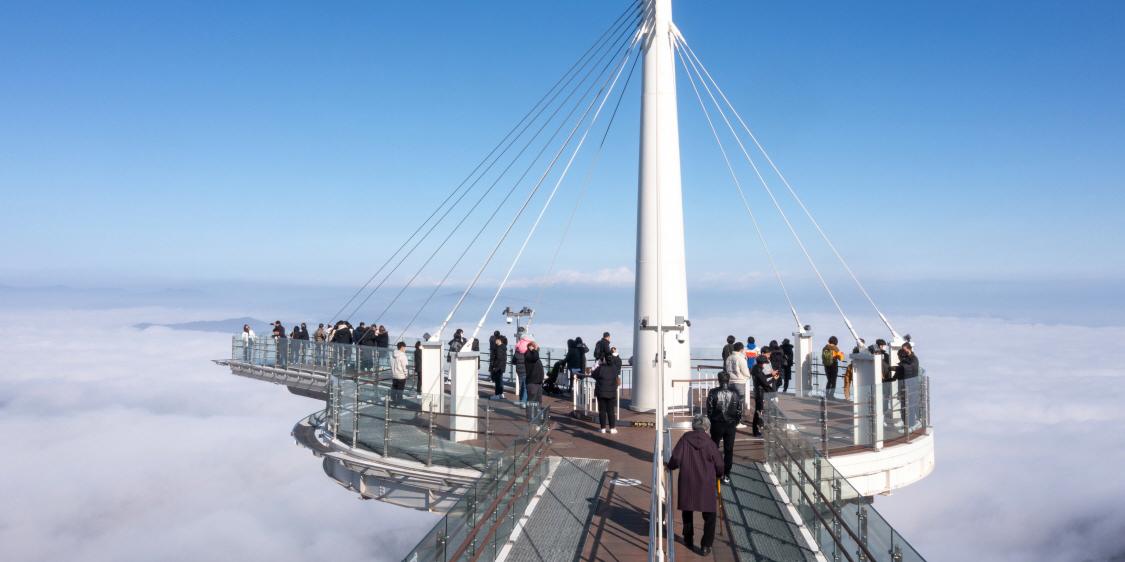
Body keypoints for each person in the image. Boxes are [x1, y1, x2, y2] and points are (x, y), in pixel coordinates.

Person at [667, 415, 724, 556]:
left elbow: (676, 458)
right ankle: (705, 546)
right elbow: (719, 464)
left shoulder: (685, 439)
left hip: (688, 479)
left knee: (687, 509)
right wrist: (720, 474)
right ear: (706, 428)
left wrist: (671, 466)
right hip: (706, 482)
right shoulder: (710, 443)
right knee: (709, 514)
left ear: (694, 426)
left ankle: (688, 537)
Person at [705, 371, 744, 480]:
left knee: (714, 448)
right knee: (729, 450)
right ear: (729, 380)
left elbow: (710, 409)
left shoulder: (713, 392)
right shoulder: (735, 392)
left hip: (717, 423)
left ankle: (714, 470)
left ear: (718, 380)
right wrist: (736, 422)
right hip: (730, 424)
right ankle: (726, 474)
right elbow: (739, 410)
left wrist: (711, 421)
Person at [591, 347, 621, 433]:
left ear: (604, 359)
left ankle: (603, 428)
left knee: (602, 410)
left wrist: (599, 363)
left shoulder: (600, 368)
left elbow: (593, 374)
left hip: (601, 392)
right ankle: (612, 428)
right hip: (611, 392)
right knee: (611, 410)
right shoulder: (614, 368)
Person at [723, 342, 751, 427]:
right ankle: (738, 422)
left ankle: (731, 420)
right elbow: (745, 371)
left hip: (731, 381)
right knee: (740, 402)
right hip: (739, 381)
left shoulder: (729, 358)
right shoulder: (741, 358)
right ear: (741, 350)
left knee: (731, 401)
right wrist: (747, 377)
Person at [750, 355, 778, 437]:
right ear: (762, 363)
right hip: (760, 393)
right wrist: (774, 379)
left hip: (757, 391)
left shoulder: (755, 369)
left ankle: (756, 431)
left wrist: (770, 375)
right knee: (759, 412)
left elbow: (762, 377)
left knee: (758, 412)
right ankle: (756, 431)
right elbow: (765, 383)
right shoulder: (759, 371)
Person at [524, 342, 545, 416]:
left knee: (538, 399)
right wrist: (534, 349)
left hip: (538, 381)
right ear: (530, 347)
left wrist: (535, 349)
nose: (536, 348)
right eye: (534, 346)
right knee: (531, 399)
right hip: (532, 381)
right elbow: (535, 357)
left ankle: (537, 414)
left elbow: (536, 355)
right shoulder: (528, 355)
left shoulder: (533, 354)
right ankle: (529, 415)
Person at [488, 332, 508, 400]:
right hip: (501, 366)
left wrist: (494, 366)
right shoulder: (503, 347)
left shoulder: (499, 348)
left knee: (497, 381)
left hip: (497, 367)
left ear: (499, 340)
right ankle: (500, 393)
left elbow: (498, 357)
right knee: (500, 380)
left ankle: (497, 394)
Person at [390, 342, 409, 406]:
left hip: (394, 375)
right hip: (401, 376)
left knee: (394, 390)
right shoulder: (403, 356)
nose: (404, 349)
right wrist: (407, 375)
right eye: (404, 348)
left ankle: (392, 402)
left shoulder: (392, 355)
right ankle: (399, 404)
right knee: (400, 391)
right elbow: (405, 367)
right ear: (402, 347)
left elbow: (391, 365)